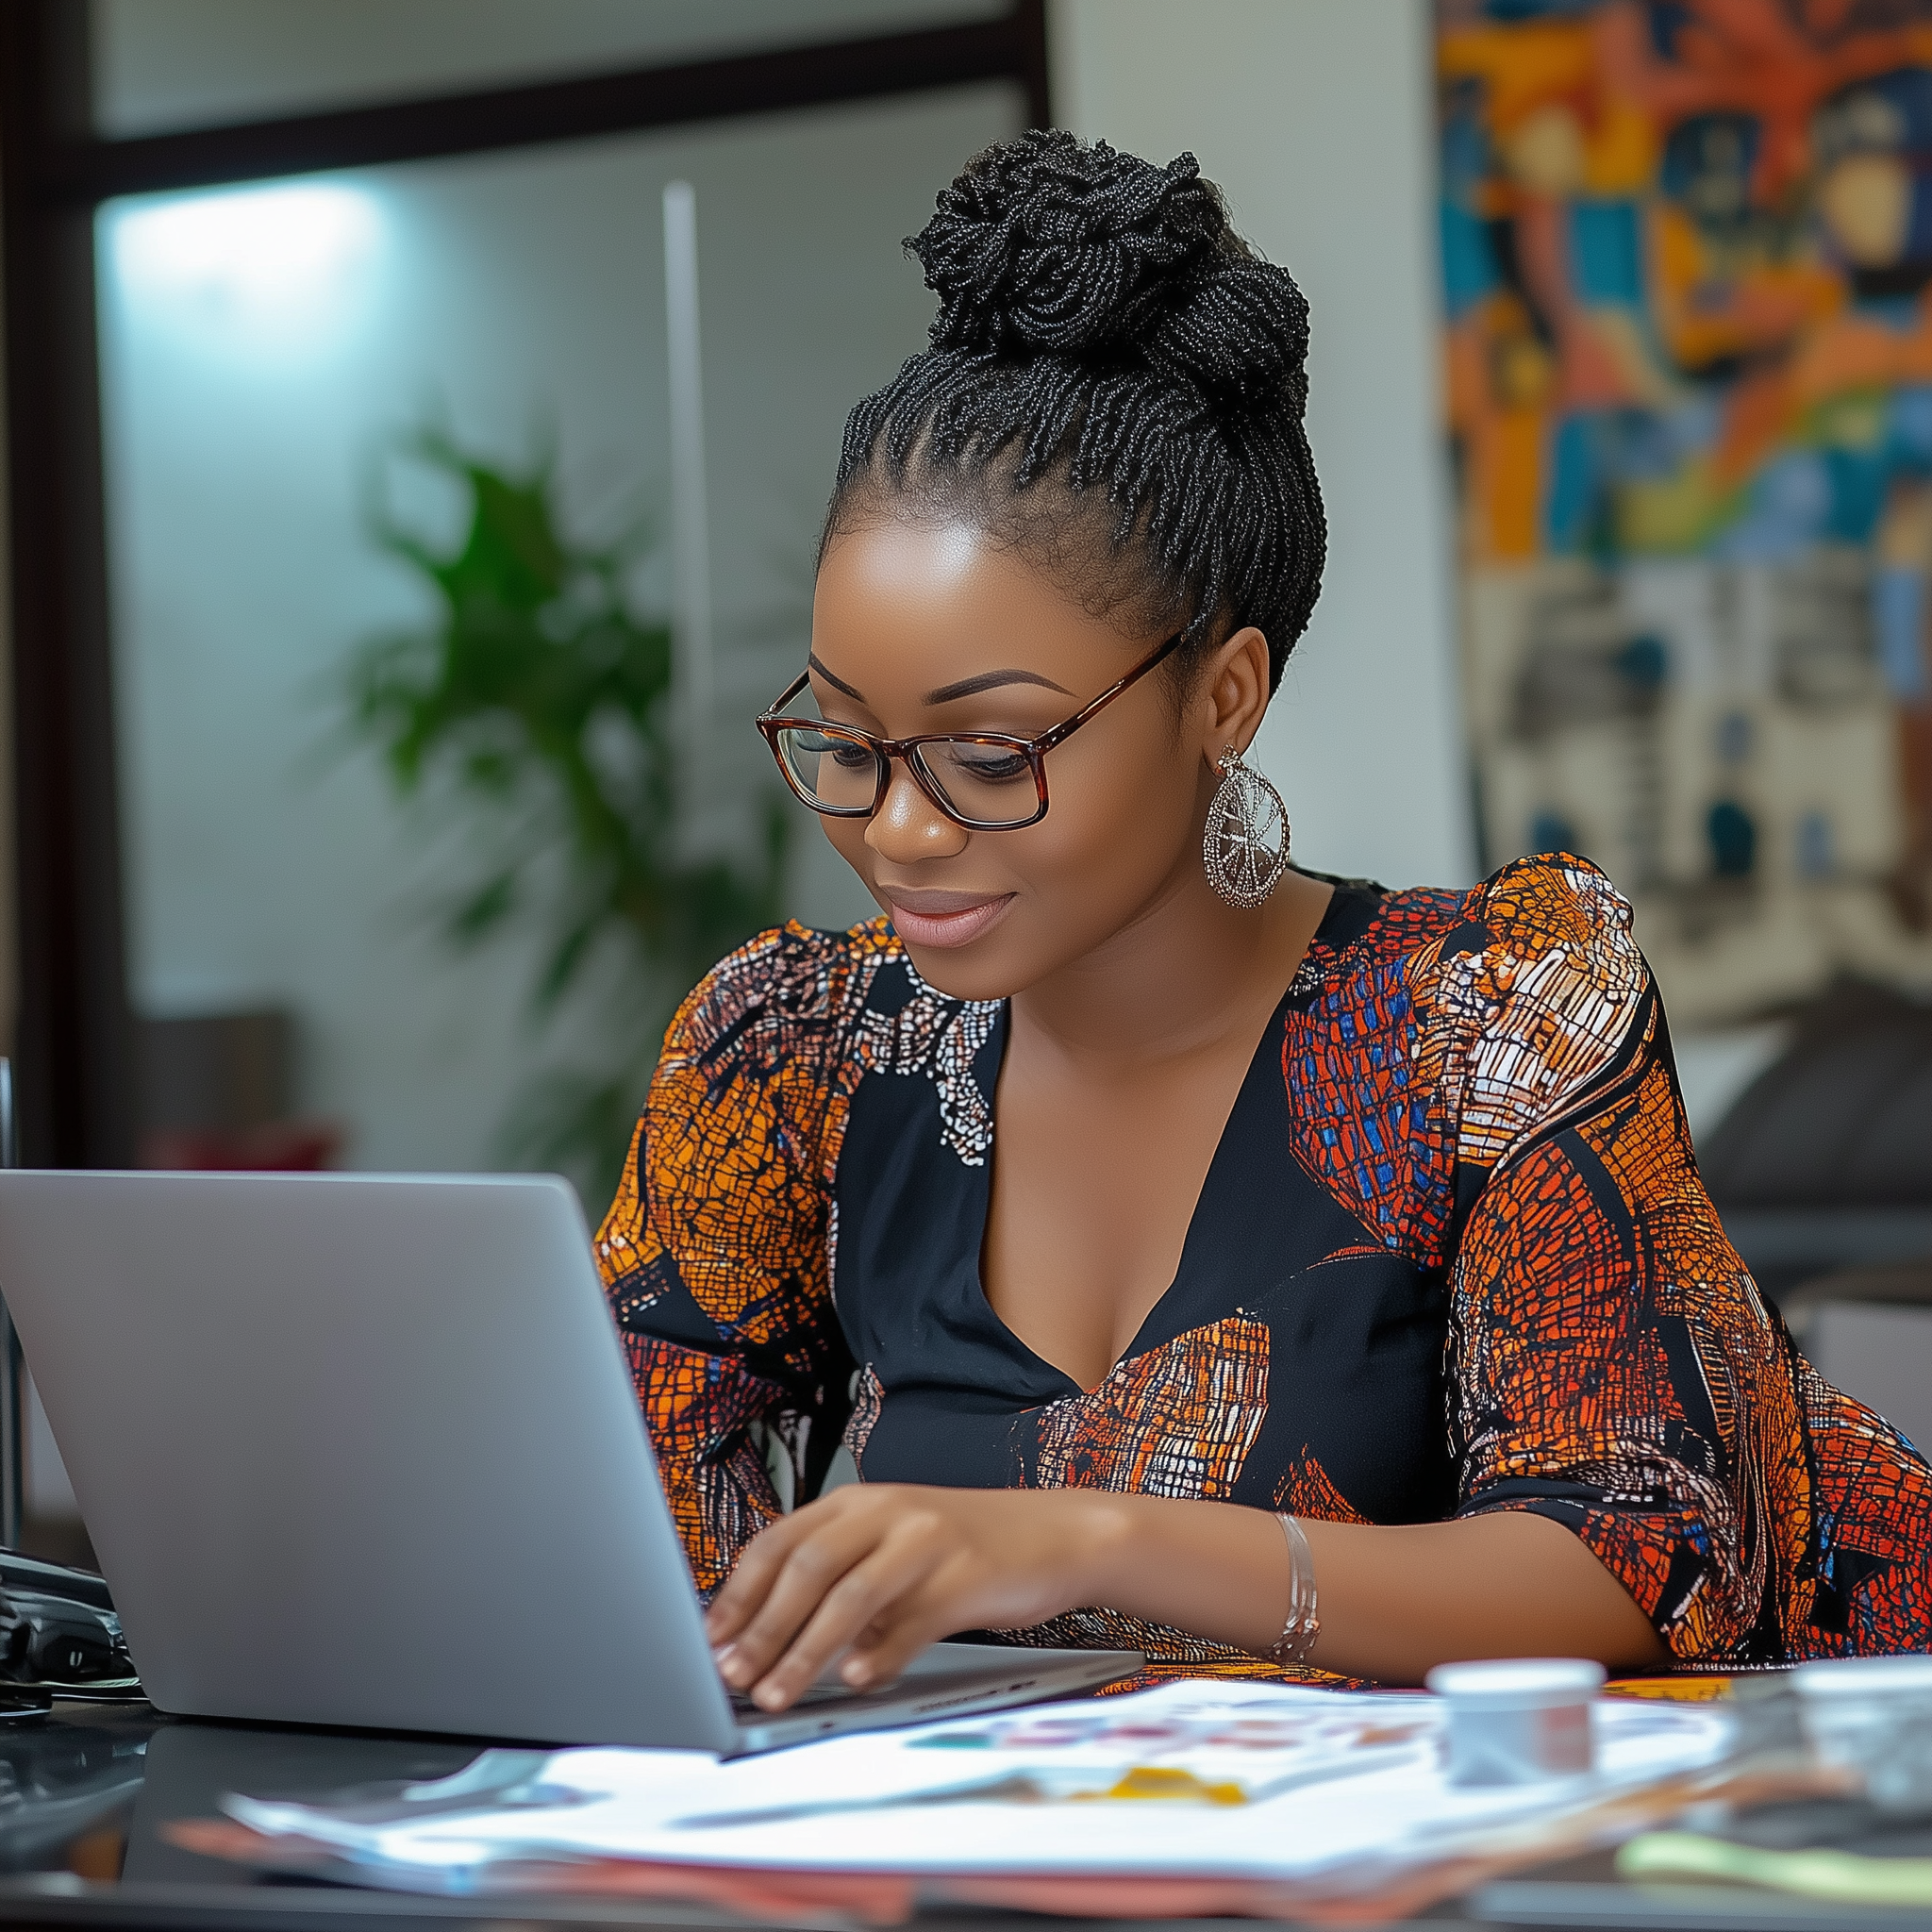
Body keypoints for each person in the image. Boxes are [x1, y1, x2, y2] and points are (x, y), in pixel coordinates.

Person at [594, 131, 1932, 1713]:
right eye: (845, 740)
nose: (896, 828)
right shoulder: (794, 1061)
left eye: (989, 753)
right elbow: (641, 1572)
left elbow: (1635, 1557)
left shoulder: (1488, 1021)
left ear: (1222, 695)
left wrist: (1088, 1541)